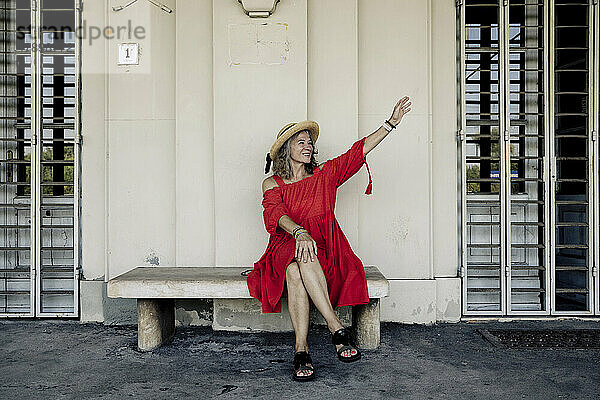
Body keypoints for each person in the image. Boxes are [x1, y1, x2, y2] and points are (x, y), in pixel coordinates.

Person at [247, 97, 412, 381]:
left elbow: (356, 153)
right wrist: (299, 231)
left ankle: (301, 350)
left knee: (297, 269)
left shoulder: (324, 175)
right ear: (287, 150)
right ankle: (336, 328)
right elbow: (274, 215)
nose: (308, 146)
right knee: (296, 259)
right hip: (285, 246)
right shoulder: (272, 183)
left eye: (310, 142)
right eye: (301, 142)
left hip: (325, 248)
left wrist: (390, 124)